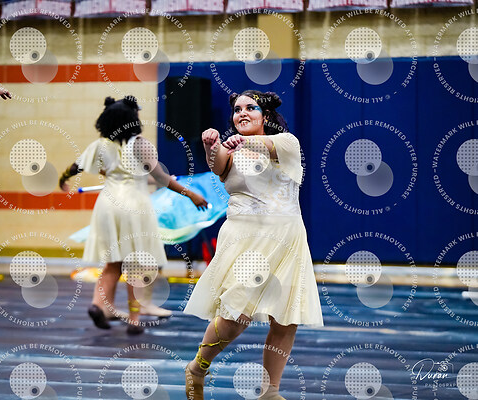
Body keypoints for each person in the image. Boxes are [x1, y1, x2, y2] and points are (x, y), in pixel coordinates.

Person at [183, 90, 323, 399]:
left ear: (266, 116)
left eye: (251, 108)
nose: (242, 113)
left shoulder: (287, 143)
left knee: (285, 319)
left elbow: (266, 146)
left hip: (287, 238)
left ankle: (270, 391)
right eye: (237, 109)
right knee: (236, 315)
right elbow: (217, 166)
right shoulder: (231, 149)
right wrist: (211, 145)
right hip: (244, 240)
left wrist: (240, 141)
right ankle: (198, 367)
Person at [60, 95, 208, 334]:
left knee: (113, 262)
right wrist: (191, 194)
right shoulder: (140, 144)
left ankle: (98, 305)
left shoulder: (100, 145)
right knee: (137, 264)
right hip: (133, 206)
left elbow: (77, 167)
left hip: (107, 205)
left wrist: (63, 179)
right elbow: (161, 178)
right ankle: (134, 318)